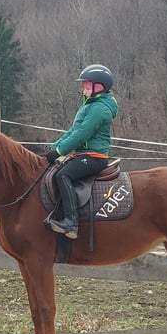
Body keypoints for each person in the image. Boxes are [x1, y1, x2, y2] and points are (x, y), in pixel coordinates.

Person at [44, 64, 118, 239]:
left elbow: (82, 134)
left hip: (94, 157)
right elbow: (72, 131)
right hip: (82, 155)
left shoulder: (99, 109)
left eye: (86, 86)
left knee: (63, 175)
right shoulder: (90, 106)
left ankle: (71, 222)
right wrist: (53, 149)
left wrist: (60, 150)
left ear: (98, 87)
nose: (83, 89)